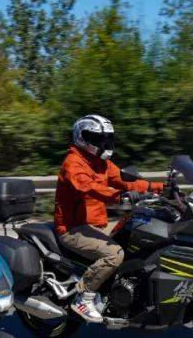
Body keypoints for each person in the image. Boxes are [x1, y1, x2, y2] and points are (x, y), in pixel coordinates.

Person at [54, 115, 165, 323]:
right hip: (72, 229)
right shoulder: (73, 164)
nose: (104, 143)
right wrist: (120, 197)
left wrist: (159, 188)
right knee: (114, 254)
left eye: (107, 139)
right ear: (82, 138)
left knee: (139, 236)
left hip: (98, 225)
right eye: (99, 138)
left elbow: (126, 181)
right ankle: (83, 297)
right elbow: (90, 187)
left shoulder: (101, 163)